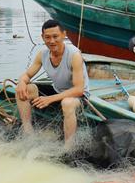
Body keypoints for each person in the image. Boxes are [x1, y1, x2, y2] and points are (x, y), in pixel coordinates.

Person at [15, 19, 89, 147]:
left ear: (64, 35)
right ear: (42, 37)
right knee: (23, 89)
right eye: (47, 37)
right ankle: (28, 132)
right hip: (58, 90)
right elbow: (27, 75)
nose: (52, 41)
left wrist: (50, 99)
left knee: (66, 103)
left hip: (78, 96)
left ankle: (68, 147)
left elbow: (79, 89)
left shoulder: (74, 55)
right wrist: (21, 82)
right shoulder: (42, 54)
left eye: (55, 36)